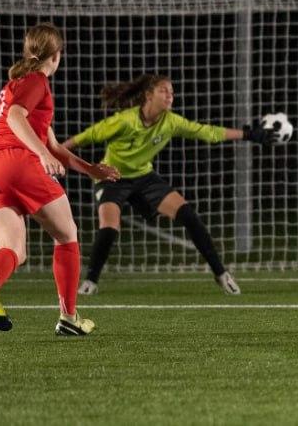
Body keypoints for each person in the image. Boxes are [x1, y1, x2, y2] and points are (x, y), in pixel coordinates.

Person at [0, 22, 119, 336]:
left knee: (15, 250)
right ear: (57, 54)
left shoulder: (19, 83)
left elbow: (53, 145)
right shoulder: (36, 80)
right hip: (14, 163)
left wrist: (90, 168)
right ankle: (69, 318)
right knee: (67, 236)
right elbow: (15, 118)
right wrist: (41, 156)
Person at [62, 74, 276, 296]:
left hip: (144, 177)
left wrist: (248, 134)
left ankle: (221, 274)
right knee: (109, 227)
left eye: (172, 92)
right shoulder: (125, 120)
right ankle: (91, 281)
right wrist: (55, 153)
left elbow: (206, 132)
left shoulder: (170, 122)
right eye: (164, 90)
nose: (170, 96)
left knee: (189, 215)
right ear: (148, 95)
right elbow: (84, 137)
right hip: (112, 178)